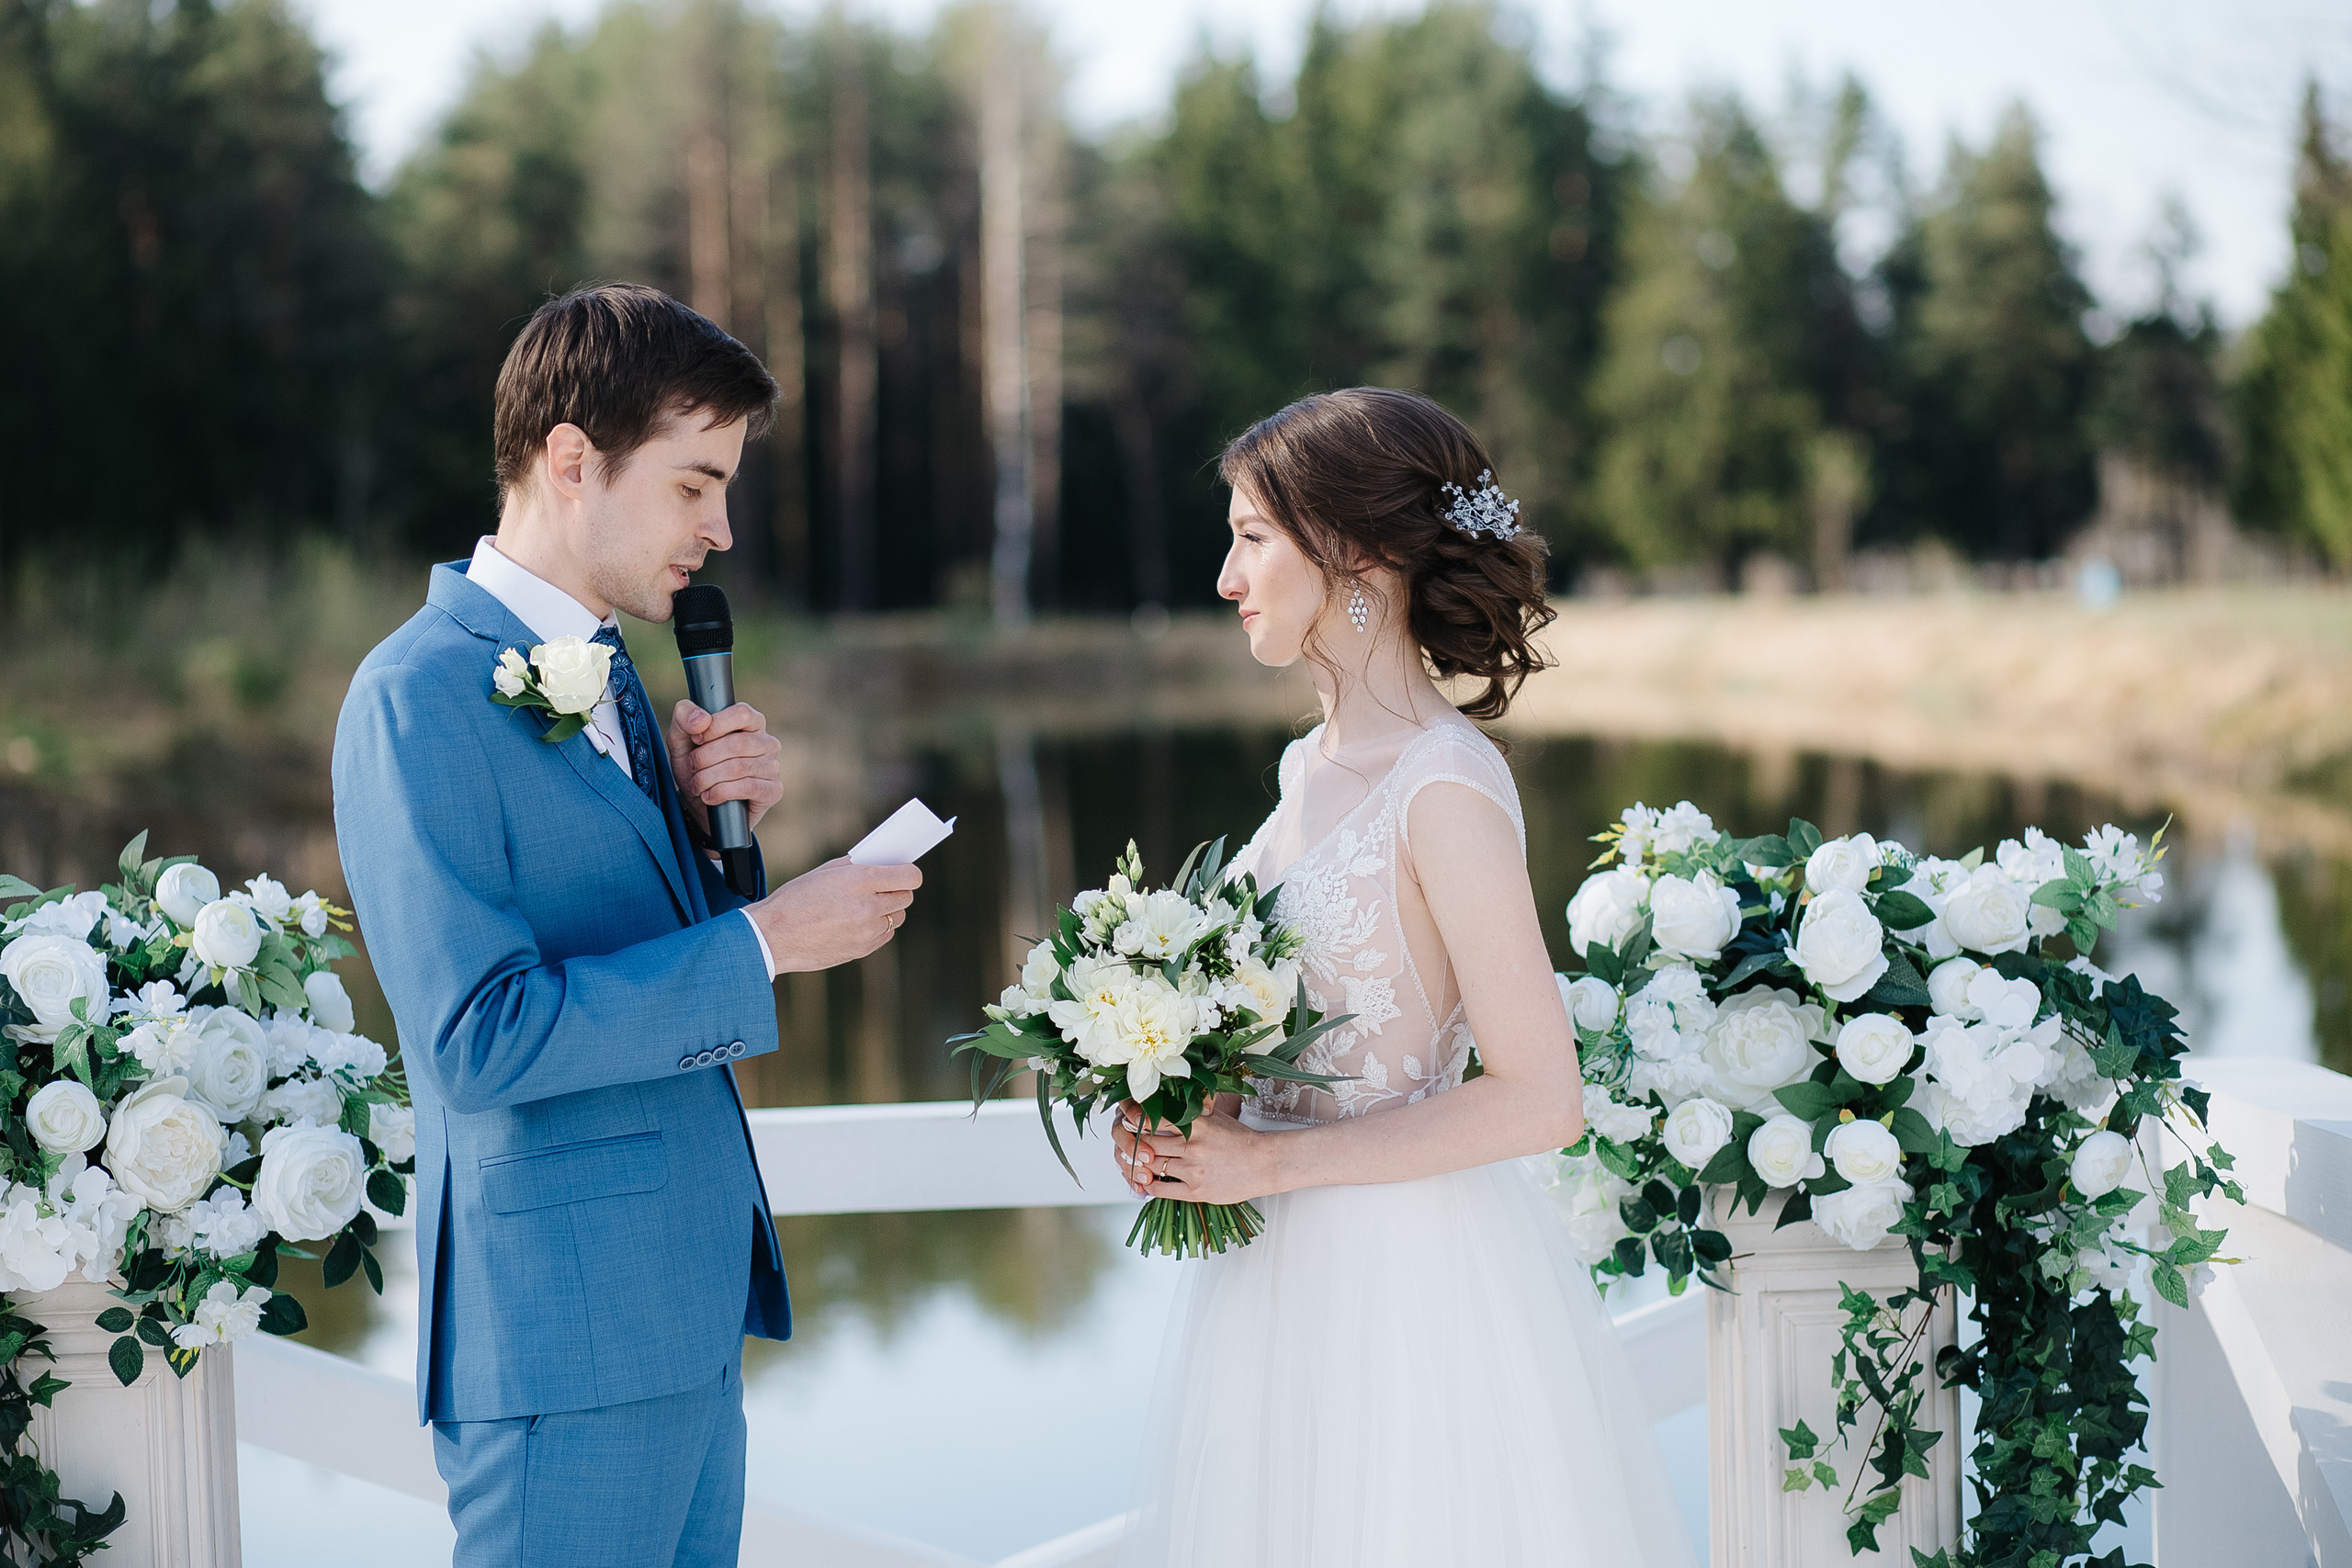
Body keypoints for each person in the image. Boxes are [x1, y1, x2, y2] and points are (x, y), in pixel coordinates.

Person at [332, 283, 922, 1568]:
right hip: (561, 1335)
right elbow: (479, 1041)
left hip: (684, 1310)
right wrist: (764, 937)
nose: (719, 530)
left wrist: (720, 846)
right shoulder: (414, 698)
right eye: (694, 485)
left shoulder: (610, 677)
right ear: (571, 461)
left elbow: (619, 957)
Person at [1111, 388, 1696, 1568]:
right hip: (1278, 1279)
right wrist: (1199, 1108)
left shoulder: (1443, 785)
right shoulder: (1304, 766)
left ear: (1357, 555)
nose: (1227, 578)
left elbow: (1543, 1095)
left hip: (1409, 1287)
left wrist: (1271, 1160)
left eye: (1252, 539)